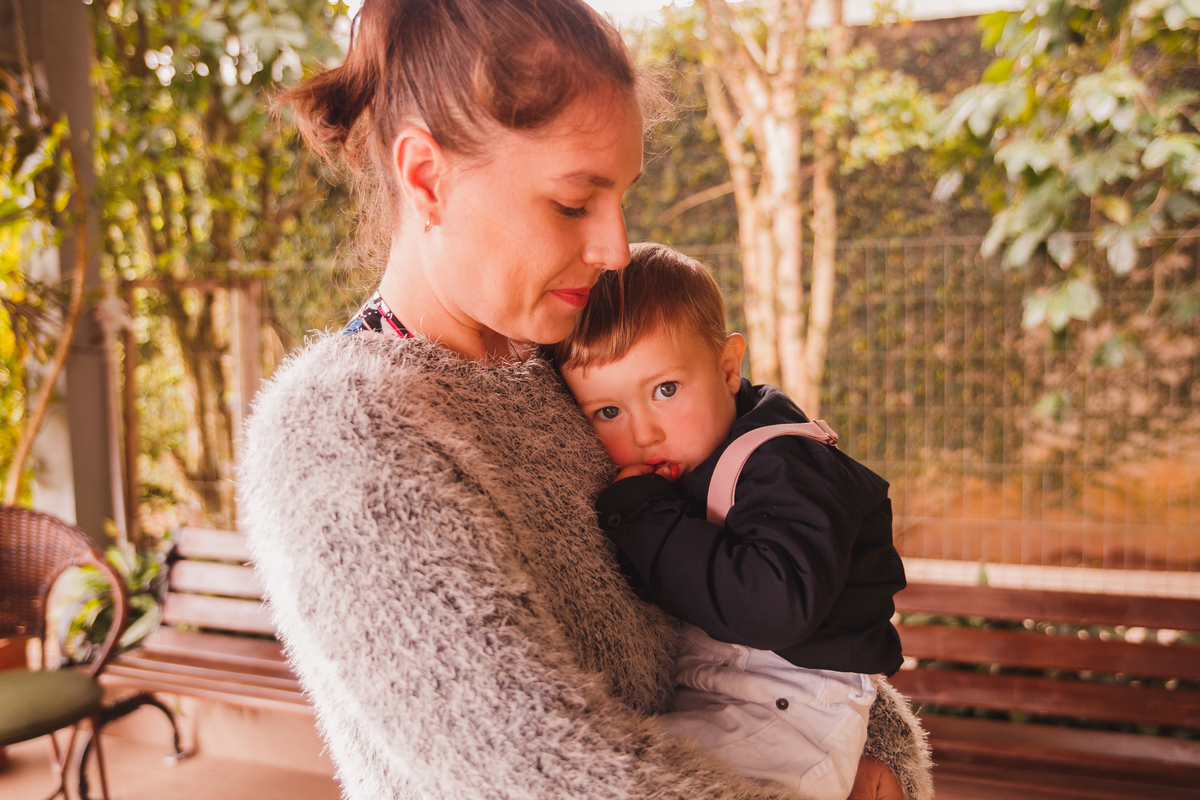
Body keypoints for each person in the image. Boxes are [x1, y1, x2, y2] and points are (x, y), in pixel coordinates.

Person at [239, 1, 931, 798]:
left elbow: (778, 594)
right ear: (427, 178)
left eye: (621, 197)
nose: (612, 249)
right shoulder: (344, 436)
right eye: (574, 202)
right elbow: (539, 775)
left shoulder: (577, 357)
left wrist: (877, 751)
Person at [555, 244, 907, 800]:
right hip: (732, 700)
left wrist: (644, 518)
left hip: (793, 713)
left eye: (665, 390)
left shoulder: (788, 465)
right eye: (608, 411)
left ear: (727, 367)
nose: (644, 433)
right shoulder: (701, 459)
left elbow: (775, 607)